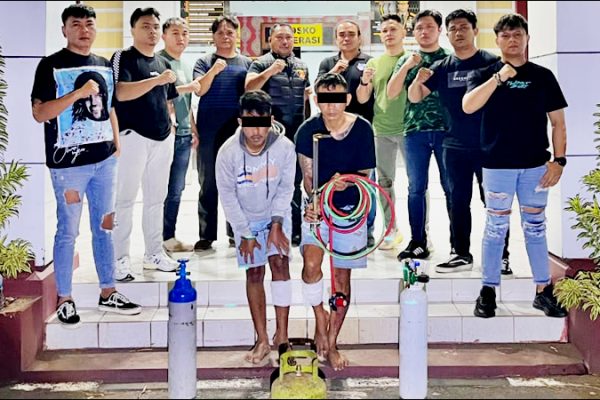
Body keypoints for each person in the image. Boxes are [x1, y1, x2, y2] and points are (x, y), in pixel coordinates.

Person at [31, 4, 141, 326]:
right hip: (69, 168)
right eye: (76, 24)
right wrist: (77, 94)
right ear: (64, 29)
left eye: (89, 24)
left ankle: (108, 291)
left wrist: (116, 144)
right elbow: (40, 113)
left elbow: (109, 107)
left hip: (104, 163)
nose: (84, 30)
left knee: (105, 228)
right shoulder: (50, 65)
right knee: (68, 231)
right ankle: (65, 298)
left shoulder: (103, 64)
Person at [463, 13, 568, 318]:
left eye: (517, 34)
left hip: (535, 167)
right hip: (497, 166)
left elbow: (558, 123)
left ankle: (543, 291)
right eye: (506, 35)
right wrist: (498, 79)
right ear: (496, 40)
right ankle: (488, 291)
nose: (512, 40)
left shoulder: (543, 76)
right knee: (496, 228)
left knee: (535, 228)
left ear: (527, 39)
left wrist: (559, 161)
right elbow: (468, 106)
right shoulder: (484, 73)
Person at [406, 9, 511, 273]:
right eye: (453, 29)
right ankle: (461, 253)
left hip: (489, 146)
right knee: (458, 201)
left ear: (475, 30)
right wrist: (417, 80)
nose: (458, 33)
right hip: (454, 146)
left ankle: (501, 255)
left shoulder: (492, 63)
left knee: (494, 202)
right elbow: (415, 97)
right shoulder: (442, 67)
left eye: (463, 27)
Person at [296, 73, 376, 371]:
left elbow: (366, 174)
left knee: (341, 280)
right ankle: (320, 320)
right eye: (324, 100)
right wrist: (315, 200)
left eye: (337, 99)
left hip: (351, 210)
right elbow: (307, 177)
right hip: (318, 207)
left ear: (347, 99)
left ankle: (332, 341)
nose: (330, 107)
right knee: (311, 266)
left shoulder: (362, 129)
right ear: (316, 100)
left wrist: (347, 181)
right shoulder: (308, 131)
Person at [215, 90, 295, 364]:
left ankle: (282, 335)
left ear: (270, 120)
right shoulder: (227, 153)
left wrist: (277, 223)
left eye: (262, 123)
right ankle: (262, 340)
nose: (256, 132)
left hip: (276, 214)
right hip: (245, 219)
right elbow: (227, 196)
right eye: (250, 124)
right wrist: (245, 232)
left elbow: (286, 188)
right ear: (240, 122)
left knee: (280, 265)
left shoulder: (285, 148)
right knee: (254, 272)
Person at [111, 7, 179, 281]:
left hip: (162, 139)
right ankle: (119, 258)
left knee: (156, 200)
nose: (152, 31)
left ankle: (153, 253)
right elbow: (120, 93)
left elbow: (168, 99)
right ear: (133, 29)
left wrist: (171, 126)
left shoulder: (163, 63)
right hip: (132, 137)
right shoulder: (123, 57)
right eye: (145, 26)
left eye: (155, 26)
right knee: (124, 200)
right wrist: (156, 81)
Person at [388, 9, 452, 261]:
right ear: (413, 32)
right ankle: (418, 241)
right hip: (414, 131)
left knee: (451, 187)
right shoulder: (407, 59)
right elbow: (392, 92)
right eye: (419, 28)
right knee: (416, 188)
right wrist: (407, 66)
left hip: (446, 132)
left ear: (439, 30)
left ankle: (457, 245)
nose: (424, 32)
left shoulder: (449, 59)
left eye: (430, 27)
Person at [246, 23, 311, 247]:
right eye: (280, 37)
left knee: (294, 181)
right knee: (268, 181)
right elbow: (248, 88)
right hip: (270, 135)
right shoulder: (260, 63)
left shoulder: (301, 65)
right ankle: (265, 227)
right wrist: (270, 72)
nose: (285, 41)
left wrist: (307, 128)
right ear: (270, 40)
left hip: (296, 132)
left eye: (288, 37)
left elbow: (305, 98)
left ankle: (293, 229)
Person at [193, 16, 252, 252]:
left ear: (237, 35)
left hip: (236, 130)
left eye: (230, 32)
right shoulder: (204, 61)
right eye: (220, 33)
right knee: (208, 182)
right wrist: (214, 70)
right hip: (209, 129)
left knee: (238, 183)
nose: (225, 37)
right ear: (213, 36)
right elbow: (199, 90)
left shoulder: (247, 62)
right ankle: (206, 234)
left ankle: (235, 231)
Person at [318, 20, 378, 247]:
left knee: (366, 181)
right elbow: (318, 90)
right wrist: (336, 70)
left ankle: (367, 227)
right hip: (332, 130)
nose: (346, 38)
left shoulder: (369, 62)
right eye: (341, 34)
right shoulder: (328, 63)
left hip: (361, 132)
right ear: (336, 39)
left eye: (351, 34)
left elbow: (366, 96)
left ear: (360, 37)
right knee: (334, 179)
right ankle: (331, 220)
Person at [356, 14, 406, 250]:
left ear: (403, 32)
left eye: (393, 29)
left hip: (409, 128)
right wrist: (364, 81)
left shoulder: (412, 59)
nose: (388, 34)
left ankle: (421, 233)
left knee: (417, 185)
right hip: (382, 129)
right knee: (384, 183)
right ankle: (390, 230)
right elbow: (362, 98)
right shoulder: (374, 63)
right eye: (384, 30)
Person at [158, 17, 201, 254]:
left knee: (176, 190)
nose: (181, 38)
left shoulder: (185, 64)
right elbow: (158, 95)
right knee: (159, 190)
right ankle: (156, 240)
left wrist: (193, 129)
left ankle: (168, 237)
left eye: (184, 33)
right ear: (164, 35)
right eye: (175, 33)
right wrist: (187, 87)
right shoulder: (158, 61)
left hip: (183, 136)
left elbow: (186, 102)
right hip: (164, 136)